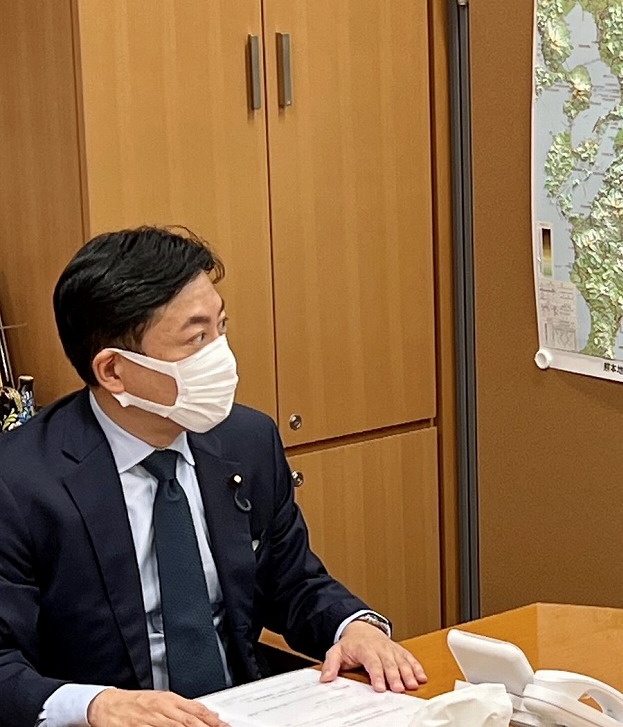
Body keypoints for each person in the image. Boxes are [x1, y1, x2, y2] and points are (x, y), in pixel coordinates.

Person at [0, 227, 427, 727]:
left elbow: (292, 582)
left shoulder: (246, 441)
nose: (221, 356)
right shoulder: (20, 482)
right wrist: (95, 705)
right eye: (196, 338)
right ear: (113, 370)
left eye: (221, 328)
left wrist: (354, 628)